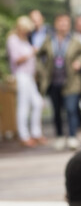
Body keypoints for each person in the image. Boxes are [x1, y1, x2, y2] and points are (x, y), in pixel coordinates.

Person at [36, 13, 81, 150]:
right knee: (57, 111)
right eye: (61, 22)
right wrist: (42, 70)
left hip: (71, 82)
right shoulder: (48, 40)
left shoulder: (74, 41)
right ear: (56, 24)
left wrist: (79, 62)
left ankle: (72, 136)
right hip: (53, 81)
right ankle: (59, 136)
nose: (63, 25)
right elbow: (38, 55)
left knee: (71, 109)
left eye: (66, 23)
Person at [6, 15, 45, 148]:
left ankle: (36, 132)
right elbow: (16, 59)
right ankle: (23, 135)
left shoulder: (25, 40)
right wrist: (31, 52)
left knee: (38, 103)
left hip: (29, 76)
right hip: (21, 75)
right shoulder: (13, 40)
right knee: (23, 105)